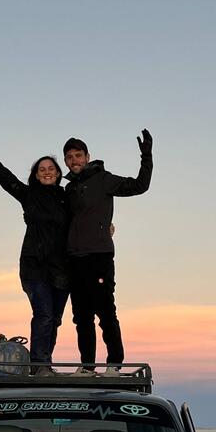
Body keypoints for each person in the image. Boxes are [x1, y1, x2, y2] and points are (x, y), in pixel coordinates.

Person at [0, 125, 70, 369]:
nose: (47, 172)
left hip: (62, 269)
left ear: (58, 172)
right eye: (42, 169)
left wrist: (107, 226)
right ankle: (39, 365)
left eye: (51, 168)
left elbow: (88, 214)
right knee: (43, 314)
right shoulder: (28, 194)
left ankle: (45, 364)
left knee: (55, 319)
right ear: (36, 174)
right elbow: (3, 174)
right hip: (34, 267)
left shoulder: (68, 197)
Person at [61, 130, 153, 370]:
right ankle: (88, 366)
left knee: (105, 311)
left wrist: (147, 156)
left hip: (99, 256)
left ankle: (114, 363)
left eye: (78, 155)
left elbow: (140, 186)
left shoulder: (104, 179)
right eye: (69, 157)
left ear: (88, 157)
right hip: (75, 259)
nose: (74, 160)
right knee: (81, 317)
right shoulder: (68, 190)